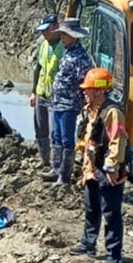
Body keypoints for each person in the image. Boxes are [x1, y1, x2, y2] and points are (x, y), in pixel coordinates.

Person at [70, 68, 128, 263]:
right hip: (92, 169)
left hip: (107, 169)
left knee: (111, 213)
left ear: (99, 91)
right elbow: (87, 139)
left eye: (89, 89)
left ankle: (114, 255)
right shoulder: (90, 110)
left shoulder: (112, 112)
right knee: (91, 207)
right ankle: (88, 243)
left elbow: (117, 141)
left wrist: (112, 167)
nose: (85, 92)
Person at [44, 18, 91, 187]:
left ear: (74, 37)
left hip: (69, 105)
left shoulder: (81, 57)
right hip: (57, 102)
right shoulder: (68, 53)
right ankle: (56, 169)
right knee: (56, 136)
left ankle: (64, 176)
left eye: (65, 35)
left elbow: (83, 82)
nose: (62, 38)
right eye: (61, 34)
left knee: (66, 140)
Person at [28, 13, 63, 174]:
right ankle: (44, 161)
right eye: (42, 31)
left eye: (47, 29)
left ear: (56, 26)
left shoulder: (64, 46)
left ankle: (57, 165)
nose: (44, 33)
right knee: (40, 129)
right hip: (42, 94)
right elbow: (38, 69)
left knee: (55, 132)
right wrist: (34, 92)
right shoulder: (43, 45)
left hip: (57, 98)